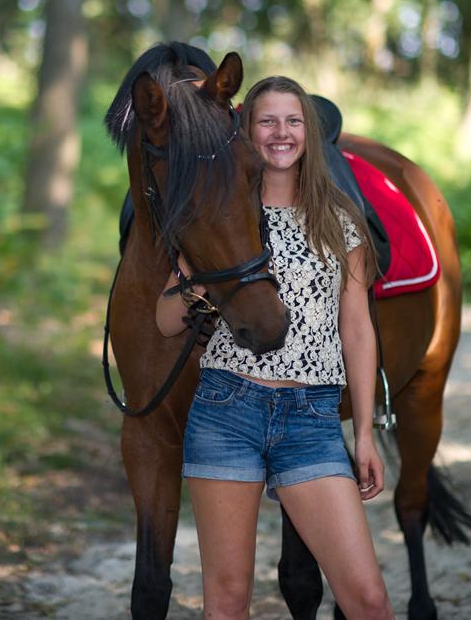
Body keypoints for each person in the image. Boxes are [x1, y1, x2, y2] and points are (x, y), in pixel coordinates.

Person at [155, 76, 393, 619]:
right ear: (246, 132)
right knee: (228, 602)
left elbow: (356, 330)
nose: (280, 133)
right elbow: (166, 322)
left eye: (293, 120)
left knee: (369, 600)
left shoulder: (338, 220)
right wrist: (202, 282)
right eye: (266, 121)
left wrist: (362, 433)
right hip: (227, 412)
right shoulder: (224, 218)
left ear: (309, 131)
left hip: (310, 421)